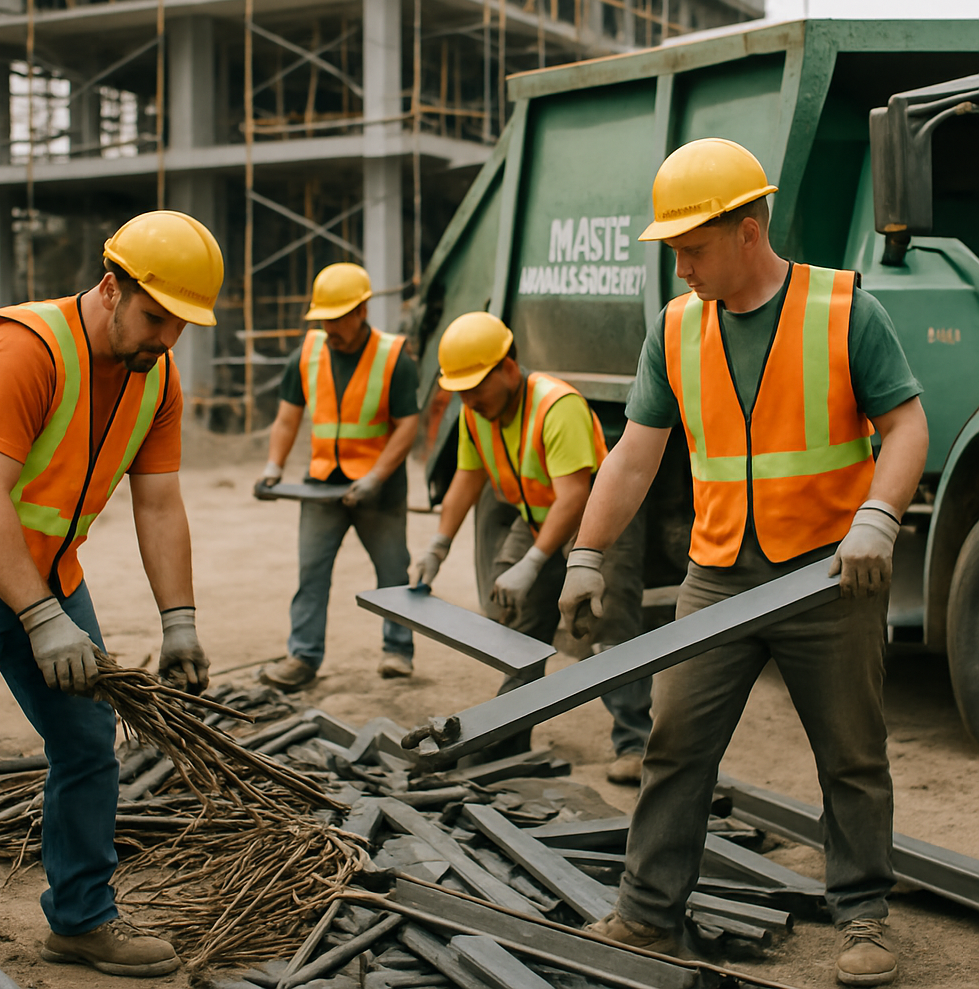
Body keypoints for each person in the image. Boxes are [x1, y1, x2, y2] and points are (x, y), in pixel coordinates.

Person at [558, 138, 928, 986]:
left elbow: (906, 426)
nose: (680, 266)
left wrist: (878, 516)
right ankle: (648, 914)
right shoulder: (677, 330)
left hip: (830, 576)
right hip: (718, 574)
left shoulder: (844, 310)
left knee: (851, 753)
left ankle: (864, 917)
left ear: (748, 231)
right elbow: (633, 457)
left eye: (690, 247)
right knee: (675, 741)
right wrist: (585, 552)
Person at [0, 210, 224, 977]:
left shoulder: (156, 375)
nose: (167, 338)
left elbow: (161, 503)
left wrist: (180, 623)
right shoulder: (26, 348)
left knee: (85, 749)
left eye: (182, 325)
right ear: (112, 288)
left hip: (48, 578)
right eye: (155, 317)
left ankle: (79, 920)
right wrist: (42, 620)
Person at [412, 311, 652, 772]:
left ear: (507, 367)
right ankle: (508, 738)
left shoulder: (556, 405)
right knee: (523, 632)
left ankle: (635, 744)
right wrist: (437, 546)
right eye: (461, 391)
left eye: (476, 387)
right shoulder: (476, 412)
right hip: (540, 514)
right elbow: (467, 478)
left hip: (598, 521)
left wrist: (533, 561)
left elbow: (575, 496)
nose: (469, 400)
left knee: (609, 628)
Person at [257, 263, 420, 690]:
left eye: (337, 317)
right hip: (322, 485)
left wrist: (377, 477)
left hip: (377, 487)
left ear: (362, 311)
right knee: (311, 572)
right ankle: (303, 657)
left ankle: (397, 651)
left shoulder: (393, 357)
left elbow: (407, 426)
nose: (329, 326)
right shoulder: (306, 354)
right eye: (324, 318)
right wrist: (274, 466)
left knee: (393, 571)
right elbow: (287, 419)